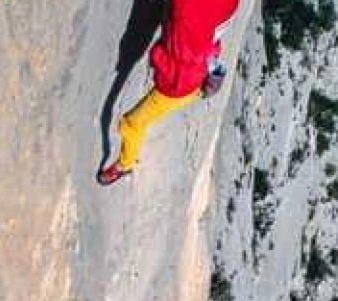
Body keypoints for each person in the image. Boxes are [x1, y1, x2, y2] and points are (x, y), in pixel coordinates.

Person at [98, 0, 240, 186]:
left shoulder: (187, 9)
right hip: (200, 72)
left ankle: (125, 164)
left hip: (178, 86)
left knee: (131, 124)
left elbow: (176, 55)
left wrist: (158, 57)